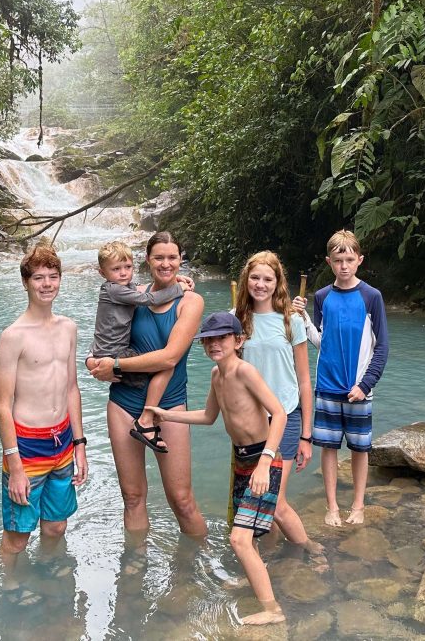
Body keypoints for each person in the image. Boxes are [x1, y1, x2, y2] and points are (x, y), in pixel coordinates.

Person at [149, 311, 287, 627]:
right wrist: (166, 415)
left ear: (238, 340)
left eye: (222, 337)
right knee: (251, 534)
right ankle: (262, 573)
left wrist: (265, 461)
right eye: (209, 339)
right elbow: (209, 416)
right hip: (242, 461)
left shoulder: (244, 371)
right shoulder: (216, 375)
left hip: (262, 459)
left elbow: (279, 414)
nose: (214, 344)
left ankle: (273, 609)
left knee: (239, 539)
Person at [85, 231, 206, 536]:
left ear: (181, 260)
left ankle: (193, 572)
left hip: (169, 407)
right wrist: (92, 362)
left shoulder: (190, 302)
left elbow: (169, 358)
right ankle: (134, 572)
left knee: (181, 500)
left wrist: (115, 364)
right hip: (124, 403)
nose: (166, 264)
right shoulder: (132, 293)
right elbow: (105, 335)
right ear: (147, 260)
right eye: (159, 257)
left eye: (172, 257)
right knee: (133, 497)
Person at [0, 240, 88, 591]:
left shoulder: (69, 328)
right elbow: (3, 404)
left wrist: (80, 444)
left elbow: (71, 389)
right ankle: (11, 585)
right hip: (27, 449)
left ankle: (47, 571)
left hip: (62, 442)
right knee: (18, 535)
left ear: (61, 279)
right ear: (26, 283)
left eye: (53, 276)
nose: (47, 284)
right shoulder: (12, 337)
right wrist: (14, 464)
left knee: (56, 525)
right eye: (38, 278)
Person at [233, 251, 326, 568]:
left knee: (275, 500)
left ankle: (312, 549)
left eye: (267, 279)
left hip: (285, 418)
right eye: (255, 278)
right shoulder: (237, 320)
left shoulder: (292, 320)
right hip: (250, 422)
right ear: (247, 280)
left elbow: (303, 381)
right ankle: (267, 557)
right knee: (255, 497)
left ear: (277, 283)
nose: (260, 284)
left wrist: (307, 436)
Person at [308, 229, 388, 527]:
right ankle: (331, 506)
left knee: (359, 449)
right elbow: (320, 341)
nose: (344, 266)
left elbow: (382, 347)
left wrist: (365, 385)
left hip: (358, 389)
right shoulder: (321, 297)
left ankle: (357, 505)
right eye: (338, 260)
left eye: (350, 260)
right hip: (327, 386)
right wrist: (301, 319)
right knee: (328, 448)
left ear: (360, 261)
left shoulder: (371, 297)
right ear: (329, 262)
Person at [92, 239, 192, 454]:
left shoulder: (125, 288)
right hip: (120, 383)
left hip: (169, 402)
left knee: (166, 362)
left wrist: (176, 280)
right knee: (164, 365)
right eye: (116, 269)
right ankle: (146, 421)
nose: (123, 273)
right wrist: (178, 287)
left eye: (127, 267)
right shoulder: (119, 290)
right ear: (148, 260)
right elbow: (147, 298)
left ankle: (146, 419)